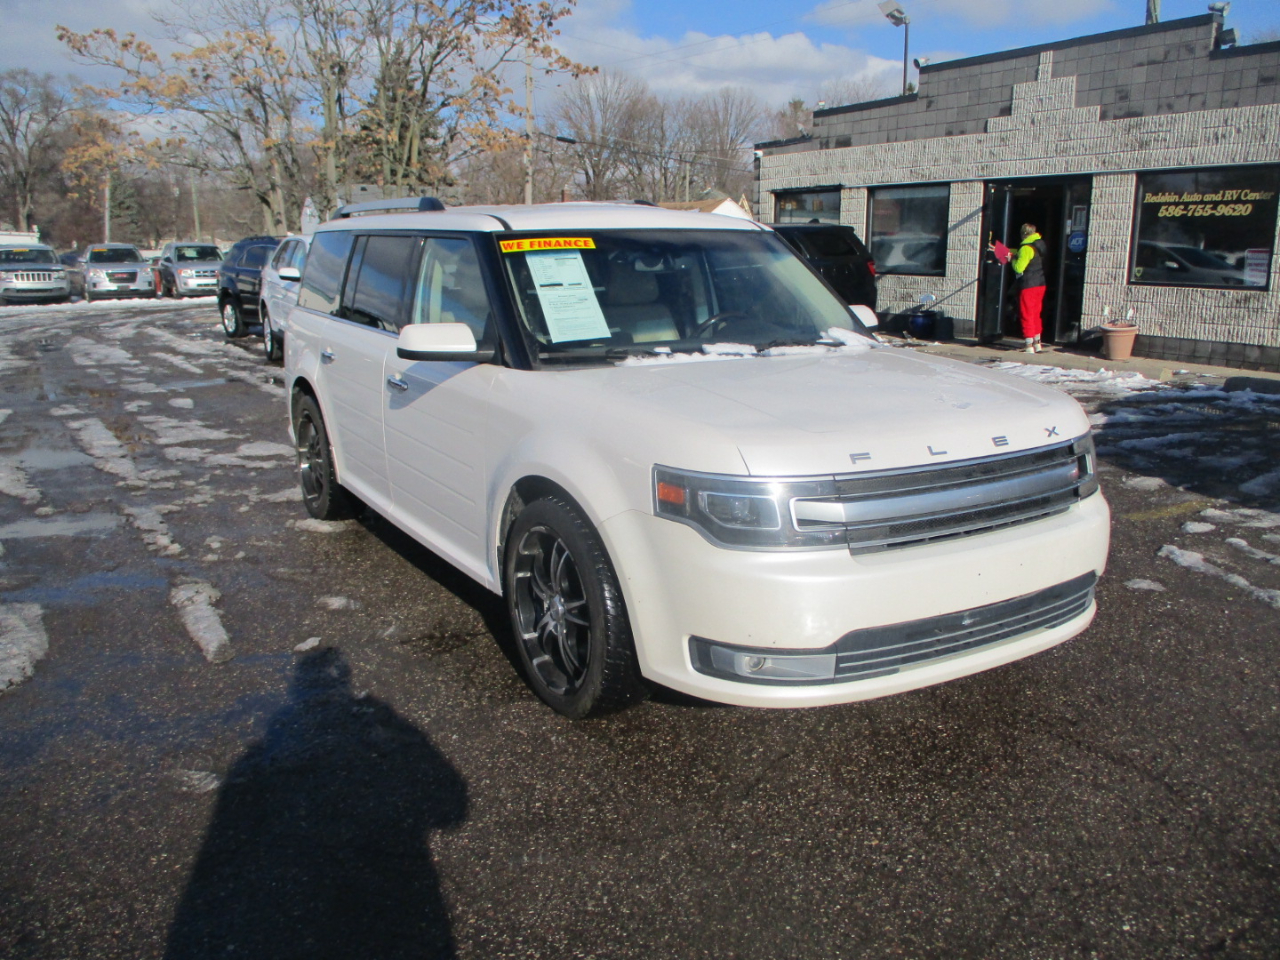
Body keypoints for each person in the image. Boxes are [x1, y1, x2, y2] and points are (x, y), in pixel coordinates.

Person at [1009, 223, 1048, 353]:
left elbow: (1018, 268)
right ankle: (1037, 342)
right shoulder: (1039, 245)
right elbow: (1028, 255)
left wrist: (1011, 259)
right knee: (1036, 313)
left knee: (1027, 313)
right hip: (1040, 283)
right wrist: (1013, 251)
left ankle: (1028, 344)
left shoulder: (1026, 248)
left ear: (1023, 234)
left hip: (1028, 285)